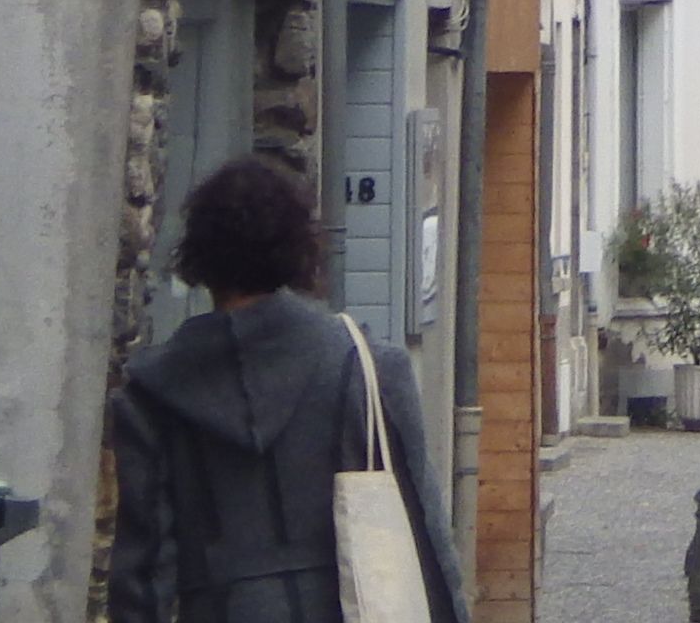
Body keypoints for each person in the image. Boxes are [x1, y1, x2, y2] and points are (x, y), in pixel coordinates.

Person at [110, 157, 466, 623]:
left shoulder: (153, 392)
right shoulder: (367, 368)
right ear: (300, 250)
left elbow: (143, 572)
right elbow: (426, 540)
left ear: (198, 256)